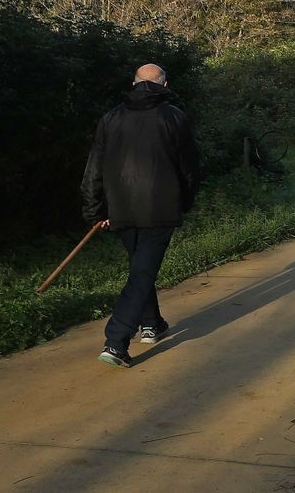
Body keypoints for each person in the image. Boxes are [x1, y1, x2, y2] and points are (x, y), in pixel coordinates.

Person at [81, 63, 200, 367]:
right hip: (160, 209)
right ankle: (116, 341)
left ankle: (152, 323)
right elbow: (188, 168)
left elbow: (94, 167)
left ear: (133, 83)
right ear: (165, 85)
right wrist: (185, 202)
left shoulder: (110, 118)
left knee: (140, 268)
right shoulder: (174, 117)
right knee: (142, 273)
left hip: (120, 209)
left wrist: (95, 209)